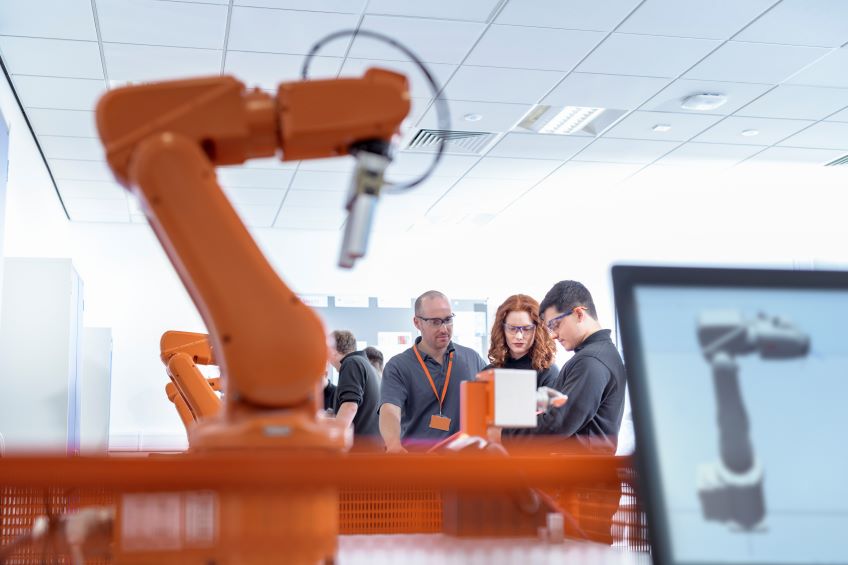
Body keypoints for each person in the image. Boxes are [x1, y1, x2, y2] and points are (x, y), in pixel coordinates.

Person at [379, 290, 487, 453]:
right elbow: (390, 411)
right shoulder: (398, 366)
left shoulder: (472, 358)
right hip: (419, 466)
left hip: (465, 464)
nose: (444, 329)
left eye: (448, 320)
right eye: (435, 322)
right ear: (417, 322)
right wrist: (393, 444)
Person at [537, 280, 626, 452]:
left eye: (555, 325)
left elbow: (557, 424)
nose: (553, 335)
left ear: (578, 313)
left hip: (582, 476)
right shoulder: (597, 355)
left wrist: (505, 435)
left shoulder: (591, 361)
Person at [483, 294, 559, 439]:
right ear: (502, 329)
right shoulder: (488, 373)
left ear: (537, 330)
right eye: (512, 328)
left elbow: (549, 428)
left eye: (526, 329)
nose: (519, 336)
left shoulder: (548, 372)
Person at [328, 330, 381, 444]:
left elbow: (350, 406)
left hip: (360, 451)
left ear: (332, 350)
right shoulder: (367, 366)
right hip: (372, 449)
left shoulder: (351, 363)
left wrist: (333, 440)